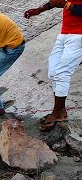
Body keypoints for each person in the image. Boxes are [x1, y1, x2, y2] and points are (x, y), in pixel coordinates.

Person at [24, 0, 82, 131]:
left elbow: (66, 4)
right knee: (53, 71)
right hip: (64, 33)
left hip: (78, 36)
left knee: (62, 73)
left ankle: (56, 113)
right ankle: (61, 110)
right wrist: (39, 10)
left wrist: (67, 5)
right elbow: (56, 2)